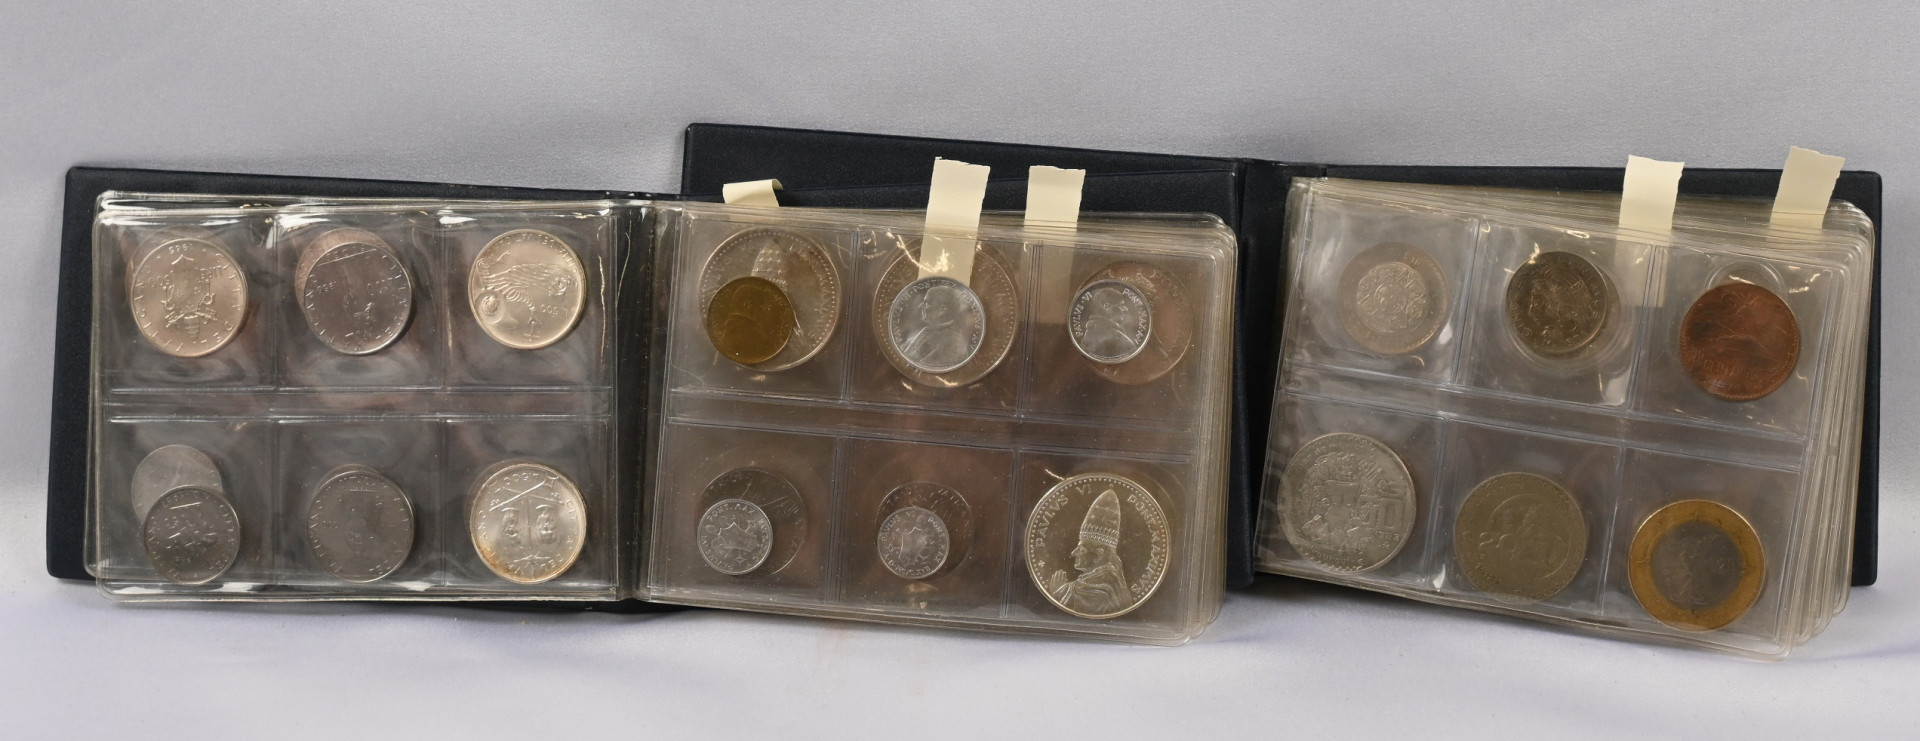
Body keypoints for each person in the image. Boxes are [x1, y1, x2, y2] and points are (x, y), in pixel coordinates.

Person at [1046, 490, 1134, 615]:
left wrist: (1060, 593)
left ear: (1099, 554)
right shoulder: (1111, 584)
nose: (1073, 553)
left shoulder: (1102, 592)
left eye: (1081, 549)